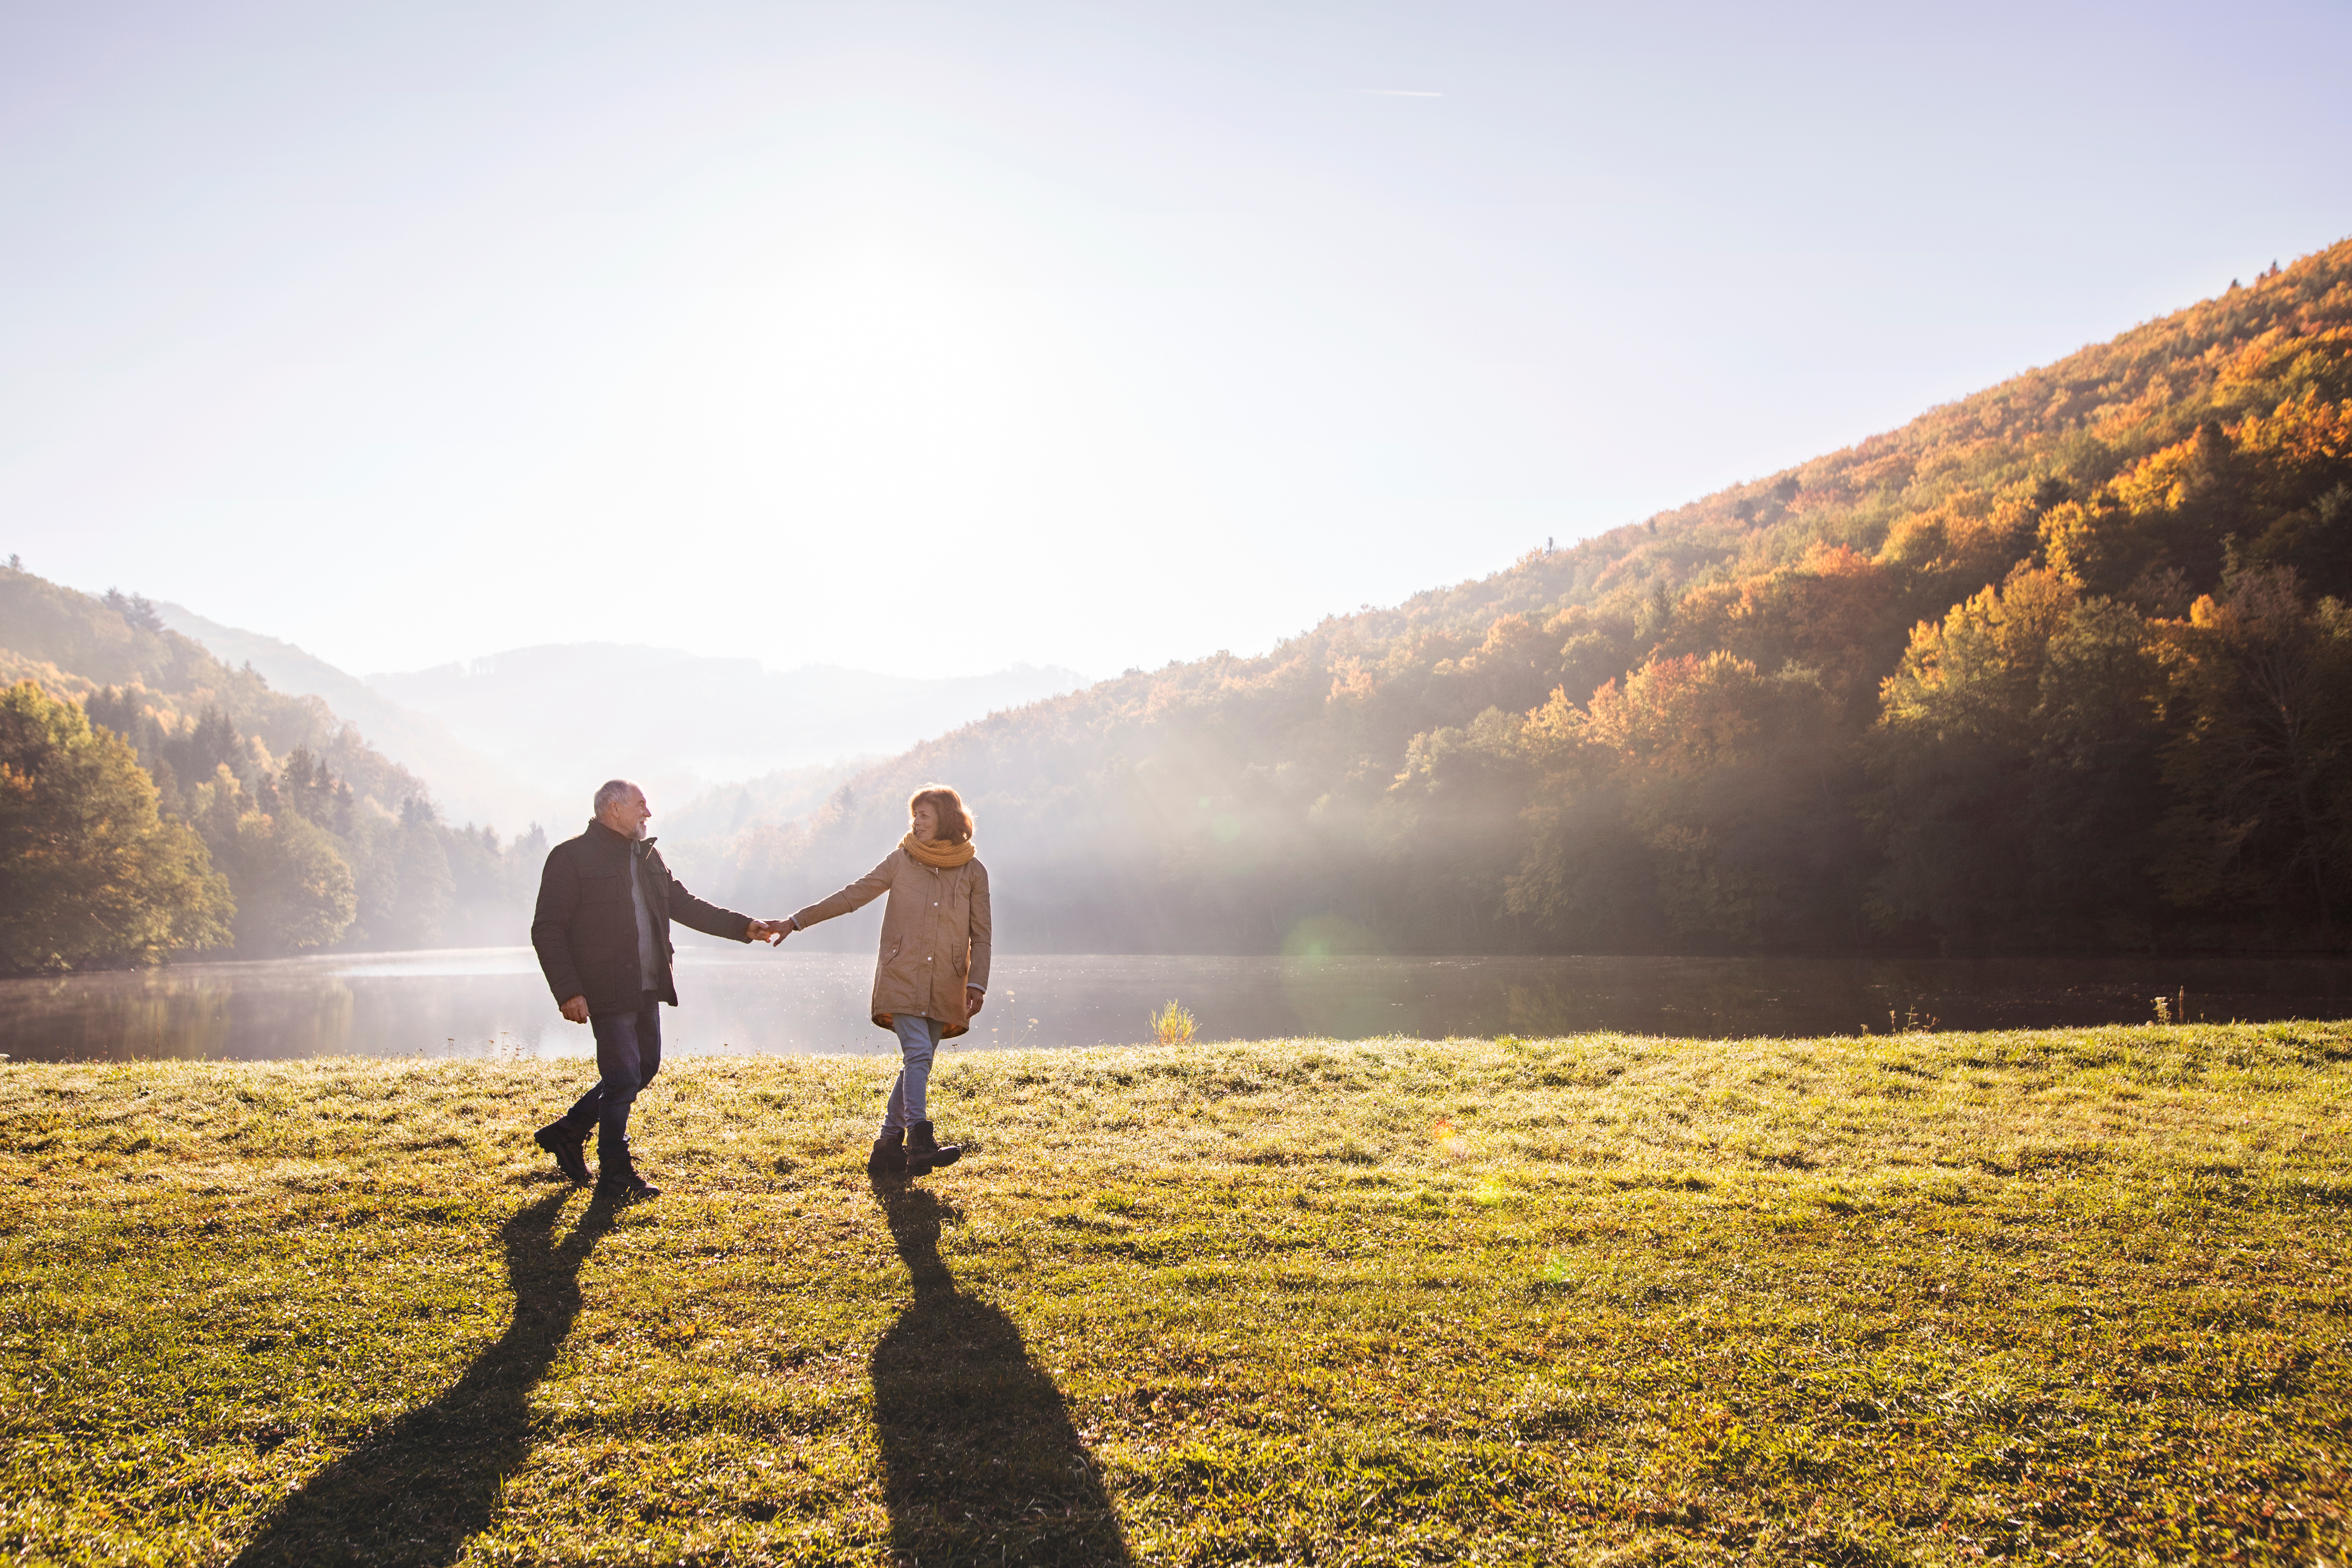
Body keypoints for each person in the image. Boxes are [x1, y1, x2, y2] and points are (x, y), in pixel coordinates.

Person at [529, 779, 786, 1198]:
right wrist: (568, 990)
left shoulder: (648, 856)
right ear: (613, 809)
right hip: (605, 987)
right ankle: (615, 1171)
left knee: (643, 1067)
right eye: (640, 805)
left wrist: (744, 926)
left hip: (647, 984)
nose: (648, 814)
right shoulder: (571, 857)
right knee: (622, 1075)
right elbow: (548, 929)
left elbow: (684, 904)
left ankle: (569, 1131)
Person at [775, 785, 990, 1178]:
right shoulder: (901, 861)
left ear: (945, 817)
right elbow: (852, 896)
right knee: (919, 1056)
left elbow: (983, 934)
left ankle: (888, 1147)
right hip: (902, 975)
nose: (916, 822)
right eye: (915, 816)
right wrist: (796, 920)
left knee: (916, 1064)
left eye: (924, 815)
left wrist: (977, 983)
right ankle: (920, 1143)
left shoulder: (974, 870)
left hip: (947, 980)